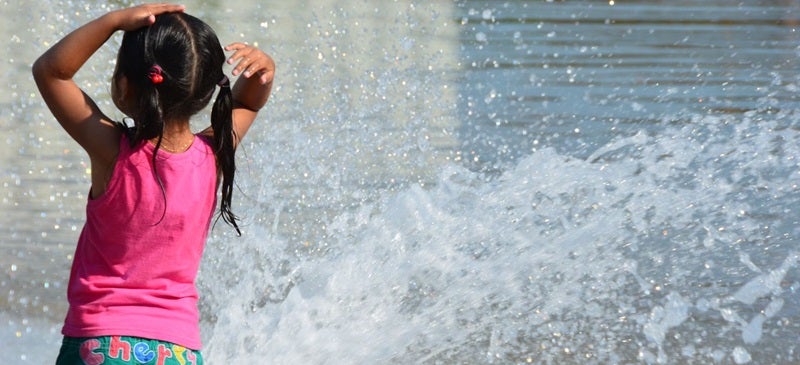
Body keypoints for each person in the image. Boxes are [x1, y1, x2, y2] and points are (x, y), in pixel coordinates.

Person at [32, 3, 274, 364]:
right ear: (206, 91)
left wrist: (113, 21)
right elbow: (248, 105)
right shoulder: (214, 154)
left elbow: (51, 72)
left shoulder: (114, 151)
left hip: (100, 343)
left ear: (125, 85)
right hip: (177, 350)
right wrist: (262, 70)